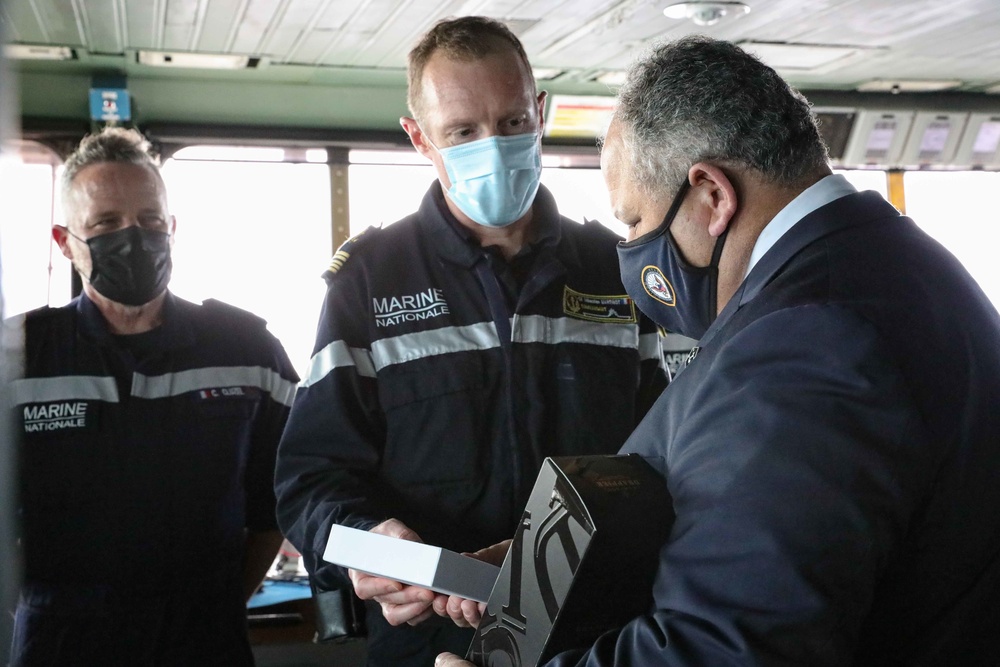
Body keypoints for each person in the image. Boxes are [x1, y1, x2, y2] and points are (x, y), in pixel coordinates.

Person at [433, 35, 1000, 666]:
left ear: (711, 196)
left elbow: (727, 647)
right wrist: (555, 565)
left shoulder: (804, 338)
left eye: (635, 223)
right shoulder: (892, 261)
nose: (632, 248)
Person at [273, 15, 668, 667]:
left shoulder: (616, 267)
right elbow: (310, 482)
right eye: (463, 131)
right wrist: (371, 547)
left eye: (512, 122)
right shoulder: (369, 280)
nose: (494, 146)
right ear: (420, 139)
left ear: (539, 112)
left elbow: (663, 458)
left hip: (600, 633)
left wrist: (551, 552)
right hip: (430, 636)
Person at [5, 126, 299, 667]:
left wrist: (217, 607)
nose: (133, 237)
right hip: (58, 642)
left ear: (172, 228)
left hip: (203, 640)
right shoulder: (17, 357)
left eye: (149, 221)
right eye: (106, 223)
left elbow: (279, 504)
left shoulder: (248, 350)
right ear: (64, 241)